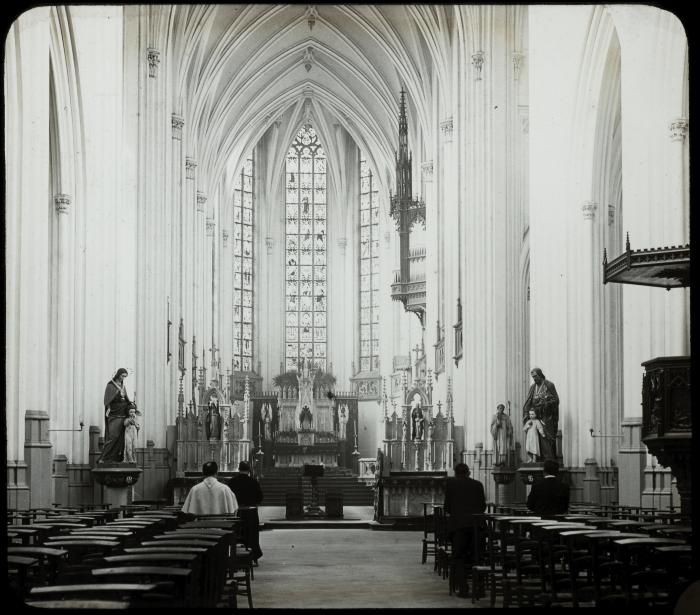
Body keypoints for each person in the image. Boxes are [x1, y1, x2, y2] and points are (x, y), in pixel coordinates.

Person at [444, 462, 486, 597]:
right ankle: (479, 589)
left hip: (459, 526)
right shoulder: (478, 485)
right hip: (477, 526)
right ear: (469, 472)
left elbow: (447, 507)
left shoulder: (451, 485)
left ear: (455, 473)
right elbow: (482, 506)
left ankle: (463, 589)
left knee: (459, 557)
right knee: (477, 557)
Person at [227, 460, 264, 561]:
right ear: (249, 470)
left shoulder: (232, 482)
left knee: (237, 533)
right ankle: (254, 555)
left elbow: (228, 498)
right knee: (252, 533)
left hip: (237, 513)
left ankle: (234, 555)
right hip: (250, 513)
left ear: (239, 469)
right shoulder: (253, 481)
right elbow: (259, 498)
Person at [98, 368, 136, 463]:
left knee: (120, 439)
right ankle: (103, 458)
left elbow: (126, 398)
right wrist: (116, 394)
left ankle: (115, 458)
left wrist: (131, 404)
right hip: (114, 414)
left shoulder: (122, 385)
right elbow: (107, 401)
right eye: (122, 376)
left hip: (123, 414)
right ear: (118, 375)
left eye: (125, 376)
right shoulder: (110, 385)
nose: (123, 378)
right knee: (113, 436)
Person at [522, 367, 559, 459]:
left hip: (547, 416)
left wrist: (545, 403)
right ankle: (537, 459)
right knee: (535, 438)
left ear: (540, 375)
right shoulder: (532, 387)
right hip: (535, 416)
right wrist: (527, 414)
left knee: (546, 438)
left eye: (535, 376)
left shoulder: (549, 385)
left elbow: (556, 400)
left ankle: (549, 460)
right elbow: (528, 402)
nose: (534, 378)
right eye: (533, 377)